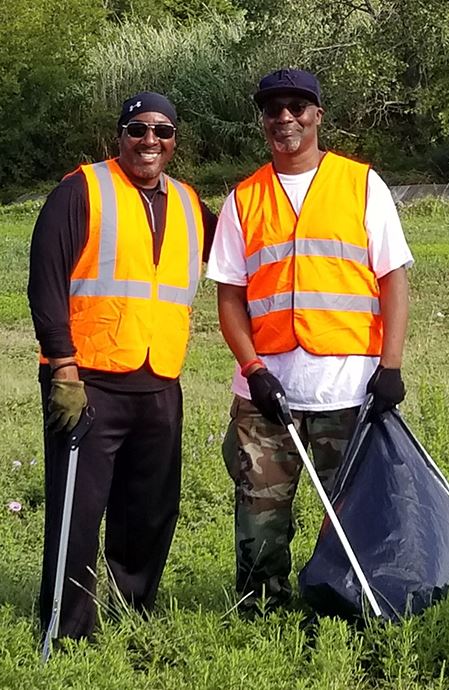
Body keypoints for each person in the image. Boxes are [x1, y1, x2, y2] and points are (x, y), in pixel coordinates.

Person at [207, 68, 413, 612]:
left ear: (318, 114)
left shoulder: (362, 185)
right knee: (259, 515)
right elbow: (229, 298)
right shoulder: (243, 199)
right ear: (263, 120)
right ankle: (259, 610)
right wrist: (254, 370)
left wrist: (390, 368)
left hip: (349, 393)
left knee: (349, 514)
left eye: (297, 107)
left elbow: (394, 280)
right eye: (273, 109)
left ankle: (342, 606)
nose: (285, 118)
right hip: (265, 396)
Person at [27, 92, 217, 640]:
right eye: (138, 129)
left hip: (160, 381)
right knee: (78, 513)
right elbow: (46, 281)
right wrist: (62, 366)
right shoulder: (81, 189)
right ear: (121, 135)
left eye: (163, 131)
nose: (150, 141)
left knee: (150, 510)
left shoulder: (186, 201)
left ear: (176, 140)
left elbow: (238, 254)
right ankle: (68, 627)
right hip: (87, 381)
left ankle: (134, 611)